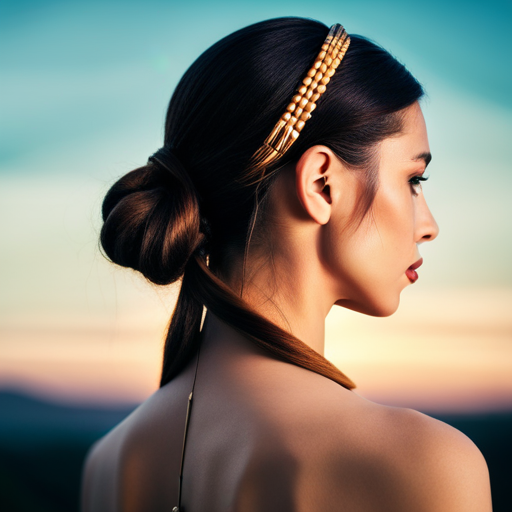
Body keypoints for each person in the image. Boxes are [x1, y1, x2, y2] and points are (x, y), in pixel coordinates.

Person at [81, 16, 492, 512]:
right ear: (322, 183)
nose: (429, 225)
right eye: (413, 180)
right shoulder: (425, 465)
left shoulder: (108, 464)